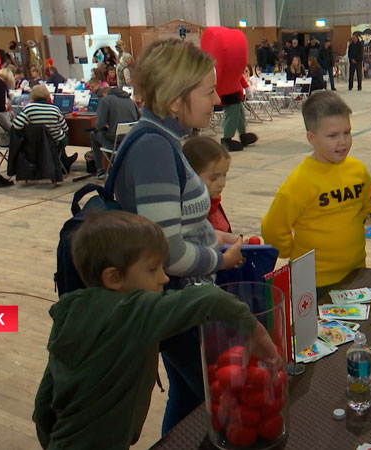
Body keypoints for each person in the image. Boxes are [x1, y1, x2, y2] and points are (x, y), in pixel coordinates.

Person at [33, 210, 280, 450]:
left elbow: (44, 403)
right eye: (153, 269)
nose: (163, 278)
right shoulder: (132, 311)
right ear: (114, 278)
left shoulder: (72, 311)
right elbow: (209, 299)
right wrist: (255, 331)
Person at [114, 39, 245, 435]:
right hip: (178, 307)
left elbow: (177, 225)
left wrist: (216, 237)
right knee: (218, 398)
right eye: (207, 91)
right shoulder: (153, 148)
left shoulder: (163, 140)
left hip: (181, 304)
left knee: (187, 398)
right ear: (175, 100)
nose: (216, 100)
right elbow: (168, 253)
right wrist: (220, 260)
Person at [262, 91, 371, 297]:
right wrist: (290, 251)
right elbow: (273, 227)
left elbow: (365, 205)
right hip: (314, 279)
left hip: (356, 272)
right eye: (332, 135)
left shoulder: (358, 170)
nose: (343, 141)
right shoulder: (300, 182)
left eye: (347, 132)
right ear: (311, 138)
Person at [11, 84, 75, 172]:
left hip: (34, 143)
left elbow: (16, 125)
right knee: (60, 136)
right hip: (55, 142)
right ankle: (64, 162)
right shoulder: (55, 109)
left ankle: (63, 161)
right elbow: (65, 129)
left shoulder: (28, 109)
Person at [183, 136, 232, 232]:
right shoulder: (189, 214)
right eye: (213, 178)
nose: (222, 183)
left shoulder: (215, 203)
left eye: (224, 175)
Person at [90, 84, 140, 178]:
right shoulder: (131, 101)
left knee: (94, 134)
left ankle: (100, 170)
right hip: (131, 141)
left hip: (115, 144)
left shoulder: (105, 101)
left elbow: (99, 125)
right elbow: (139, 120)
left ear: (104, 94)